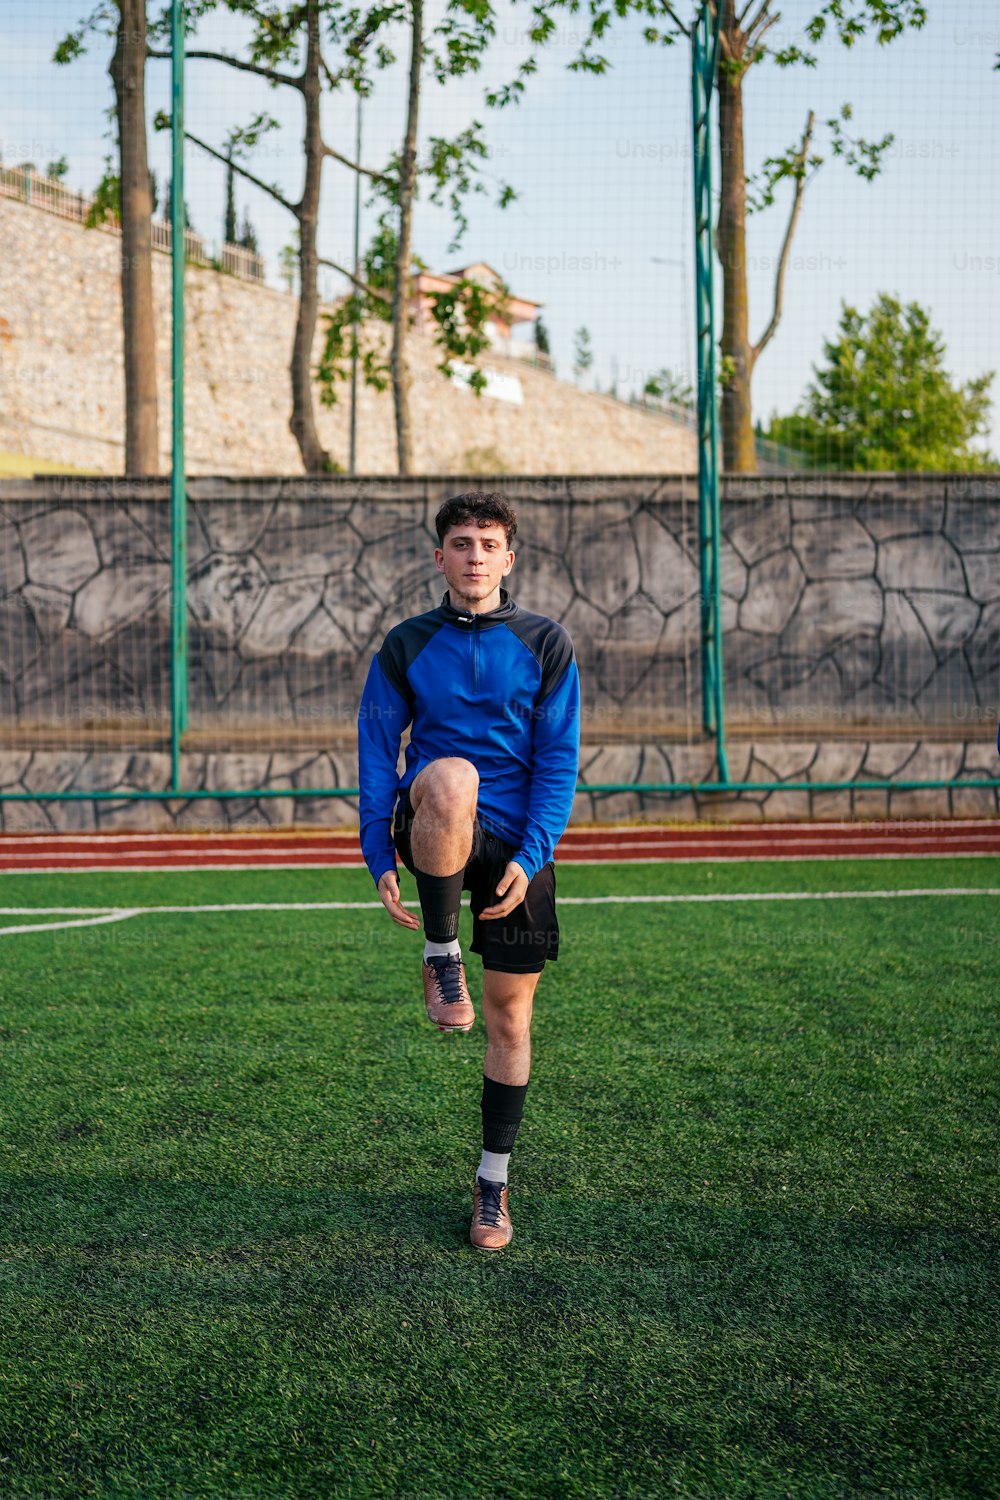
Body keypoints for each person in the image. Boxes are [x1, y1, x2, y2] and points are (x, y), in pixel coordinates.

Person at [357, 491, 581, 1250]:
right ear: (439, 558)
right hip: (438, 813)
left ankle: (492, 1185)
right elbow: (376, 746)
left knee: (511, 1020)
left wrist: (533, 852)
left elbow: (558, 759)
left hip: (517, 843)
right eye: (461, 543)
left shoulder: (546, 643)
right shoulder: (406, 643)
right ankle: (439, 952)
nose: (475, 556)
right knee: (452, 777)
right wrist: (375, 848)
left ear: (508, 559)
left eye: (489, 544)